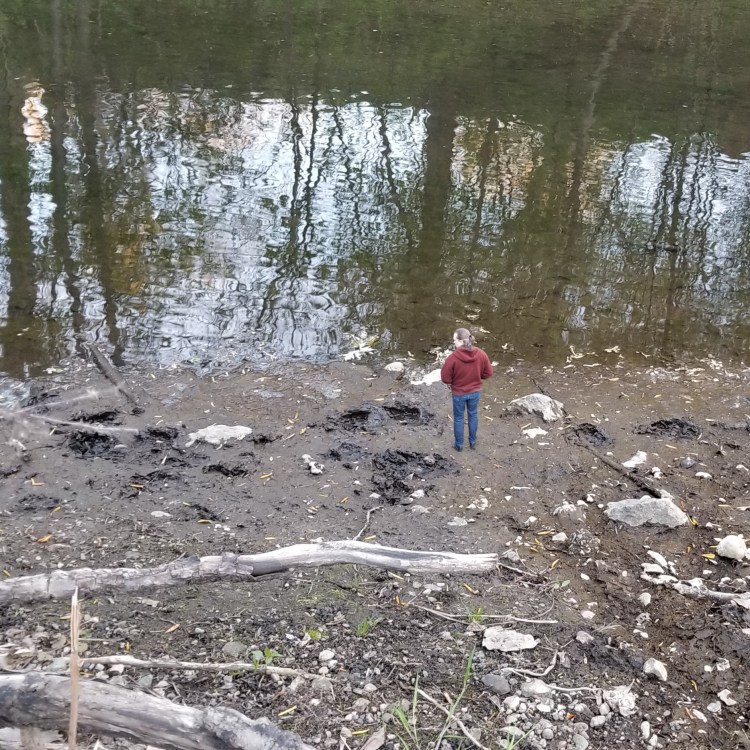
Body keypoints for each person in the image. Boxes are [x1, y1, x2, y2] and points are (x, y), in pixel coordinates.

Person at [440, 328, 493, 451]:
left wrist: (455, 381)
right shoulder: (481, 354)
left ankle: (459, 446)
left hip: (459, 393)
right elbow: (489, 372)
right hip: (475, 392)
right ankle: (472, 443)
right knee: (473, 415)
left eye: (454, 340)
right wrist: (478, 376)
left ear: (460, 341)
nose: (454, 343)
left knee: (459, 418)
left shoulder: (452, 358)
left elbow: (445, 378)